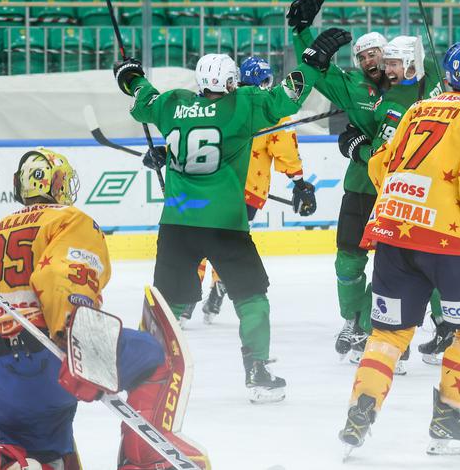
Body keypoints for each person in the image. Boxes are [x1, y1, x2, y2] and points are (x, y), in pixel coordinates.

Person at [115, 28, 351, 403]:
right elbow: (285, 97)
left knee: (170, 301)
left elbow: (142, 96)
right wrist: (312, 63)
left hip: (177, 223)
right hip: (226, 222)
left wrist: (129, 75)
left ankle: (143, 372)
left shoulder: (171, 104)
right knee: (252, 295)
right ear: (228, 81)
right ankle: (257, 371)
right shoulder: (242, 104)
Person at [0, 148, 208, 469]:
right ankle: (143, 460)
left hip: (1, 374)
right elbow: (60, 274)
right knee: (156, 355)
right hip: (53, 352)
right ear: (55, 183)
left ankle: (8, 465)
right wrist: (76, 342)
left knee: (48, 455)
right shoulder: (69, 219)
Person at [338, 41, 460, 457]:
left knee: (387, 334)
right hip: (448, 240)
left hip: (393, 231)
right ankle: (449, 420)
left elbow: (380, 164)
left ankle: (360, 411)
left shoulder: (418, 109)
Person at [287, 0, 444, 372]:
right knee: (349, 260)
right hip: (361, 188)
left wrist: (359, 146)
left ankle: (442, 322)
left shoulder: (417, 82)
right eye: (364, 57)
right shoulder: (354, 87)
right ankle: (354, 321)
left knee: (420, 258)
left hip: (406, 191)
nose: (371, 61)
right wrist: (301, 32)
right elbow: (317, 68)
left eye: (377, 54)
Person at [336, 34, 446, 370]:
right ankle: (366, 325)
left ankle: (418, 330)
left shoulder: (428, 81)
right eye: (382, 62)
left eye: (391, 61)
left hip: (414, 190)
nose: (384, 67)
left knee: (412, 263)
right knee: (385, 263)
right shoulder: (389, 97)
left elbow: (381, 155)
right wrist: (357, 145)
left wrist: (360, 148)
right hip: (392, 189)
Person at [193, 56, 318, 325]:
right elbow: (284, 150)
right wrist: (299, 183)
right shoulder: (273, 111)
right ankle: (218, 285)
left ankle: (185, 300)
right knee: (227, 244)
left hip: (214, 185)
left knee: (200, 240)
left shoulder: (225, 104)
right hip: (249, 191)